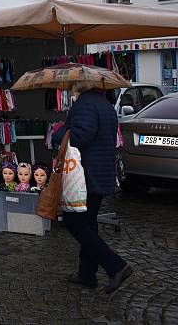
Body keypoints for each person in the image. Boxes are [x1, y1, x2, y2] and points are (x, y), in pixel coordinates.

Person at [54, 81, 132, 293]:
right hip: (98, 174)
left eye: (71, 85)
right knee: (88, 223)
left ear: (78, 87)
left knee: (74, 222)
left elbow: (80, 137)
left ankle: (116, 266)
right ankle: (87, 273)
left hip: (85, 176)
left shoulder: (85, 105)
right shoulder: (105, 105)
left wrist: (59, 131)